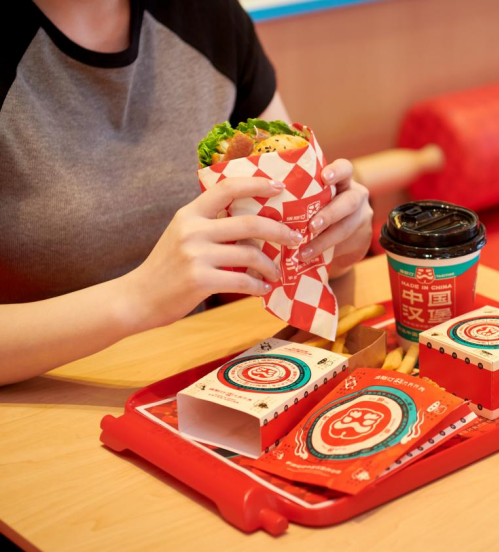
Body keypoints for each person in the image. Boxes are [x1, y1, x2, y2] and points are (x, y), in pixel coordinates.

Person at [0, 0, 373, 385]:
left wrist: (333, 241)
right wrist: (139, 298)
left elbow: (285, 228)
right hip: (45, 393)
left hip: (203, 371)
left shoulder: (210, 16)